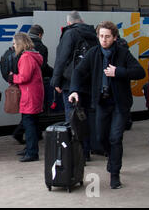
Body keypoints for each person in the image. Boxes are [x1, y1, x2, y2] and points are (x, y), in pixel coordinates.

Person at [68, 21, 145, 189]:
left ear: (115, 37)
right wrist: (74, 90)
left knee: (115, 138)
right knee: (101, 138)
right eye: (101, 36)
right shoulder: (93, 53)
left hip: (120, 104)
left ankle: (114, 174)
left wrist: (118, 72)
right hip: (102, 103)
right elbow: (79, 72)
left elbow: (140, 72)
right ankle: (112, 157)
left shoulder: (123, 53)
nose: (103, 40)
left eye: (107, 36)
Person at [50, 10, 98, 161]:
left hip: (71, 83)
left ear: (69, 22)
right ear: (81, 20)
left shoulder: (70, 34)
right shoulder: (93, 34)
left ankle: (78, 154)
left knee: (73, 117)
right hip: (89, 82)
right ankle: (87, 150)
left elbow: (62, 58)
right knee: (87, 116)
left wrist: (56, 81)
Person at [11, 32, 44, 162]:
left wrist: (12, 77)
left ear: (20, 43)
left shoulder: (26, 57)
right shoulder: (32, 55)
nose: (13, 46)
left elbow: (24, 77)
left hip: (29, 94)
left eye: (14, 43)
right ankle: (29, 148)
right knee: (32, 122)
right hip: (34, 93)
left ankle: (32, 152)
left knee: (29, 123)